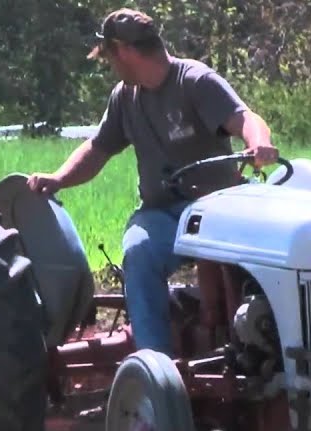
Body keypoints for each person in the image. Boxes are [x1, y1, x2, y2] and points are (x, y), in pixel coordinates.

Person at [27, 8, 278, 355]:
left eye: (111, 57)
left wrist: (258, 143)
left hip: (217, 209)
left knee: (267, 253)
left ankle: (256, 340)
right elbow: (98, 149)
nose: (111, 66)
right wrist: (58, 179)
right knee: (139, 251)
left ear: (124, 51)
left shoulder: (194, 81)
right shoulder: (124, 98)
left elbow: (244, 118)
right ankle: (155, 363)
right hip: (162, 214)